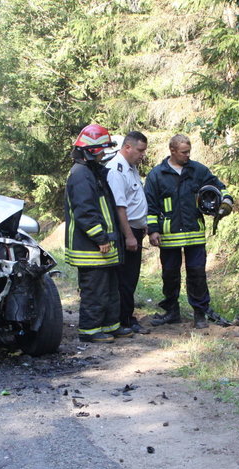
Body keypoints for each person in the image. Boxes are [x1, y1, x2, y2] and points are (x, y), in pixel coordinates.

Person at [144, 134, 233, 329]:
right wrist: (153, 231)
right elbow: (150, 206)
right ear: (172, 151)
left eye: (189, 152)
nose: (187, 155)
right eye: (183, 152)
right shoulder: (156, 175)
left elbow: (221, 188)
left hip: (194, 234)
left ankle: (200, 314)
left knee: (197, 274)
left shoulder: (198, 170)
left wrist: (226, 202)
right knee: (170, 275)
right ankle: (171, 311)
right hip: (169, 236)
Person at [64, 124, 133, 343]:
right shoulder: (80, 175)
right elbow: (86, 212)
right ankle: (90, 330)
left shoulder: (92, 172)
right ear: (91, 150)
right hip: (90, 247)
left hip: (102, 245)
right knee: (95, 290)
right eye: (101, 149)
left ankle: (109, 326)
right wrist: (100, 238)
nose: (104, 153)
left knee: (110, 289)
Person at [106, 131, 151, 335]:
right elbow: (119, 207)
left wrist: (144, 224)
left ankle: (126, 317)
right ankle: (124, 320)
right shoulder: (117, 170)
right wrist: (129, 235)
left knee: (131, 277)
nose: (143, 155)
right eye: (140, 150)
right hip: (127, 231)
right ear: (127, 147)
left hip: (136, 228)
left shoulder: (131, 168)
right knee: (125, 277)